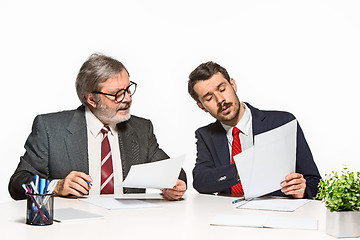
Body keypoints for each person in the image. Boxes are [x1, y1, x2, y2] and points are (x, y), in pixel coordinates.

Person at [9, 53, 187, 201]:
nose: (127, 98)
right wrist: (56, 186)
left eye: (128, 89)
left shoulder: (141, 128)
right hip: (73, 228)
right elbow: (18, 183)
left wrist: (175, 185)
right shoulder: (50, 129)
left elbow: (174, 173)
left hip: (128, 226)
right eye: (117, 94)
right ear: (91, 99)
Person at [187, 61, 320, 199]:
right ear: (202, 106)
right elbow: (201, 182)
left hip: (276, 214)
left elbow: (315, 183)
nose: (220, 100)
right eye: (209, 98)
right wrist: (241, 170)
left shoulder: (282, 122)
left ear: (233, 85)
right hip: (229, 213)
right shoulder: (206, 135)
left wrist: (303, 189)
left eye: (222, 89)